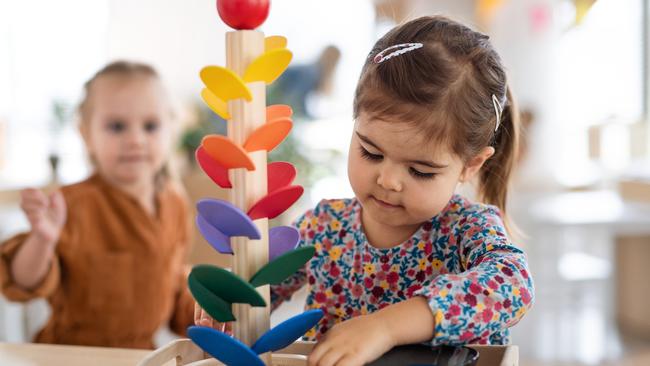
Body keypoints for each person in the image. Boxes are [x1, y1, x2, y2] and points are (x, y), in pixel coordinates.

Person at [0, 61, 195, 349]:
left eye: (150, 126)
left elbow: (174, 282)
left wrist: (210, 311)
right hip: (71, 354)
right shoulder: (71, 205)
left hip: (139, 355)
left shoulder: (175, 203)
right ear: (86, 135)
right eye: (116, 126)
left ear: (171, 131)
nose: (135, 139)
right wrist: (42, 239)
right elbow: (22, 281)